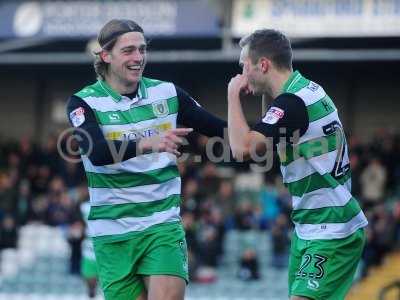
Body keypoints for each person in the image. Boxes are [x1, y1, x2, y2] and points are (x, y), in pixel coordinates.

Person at [66, 19, 227, 300]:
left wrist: (270, 132)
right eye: (128, 50)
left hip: (160, 224)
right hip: (112, 233)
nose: (138, 58)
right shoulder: (83, 102)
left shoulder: (167, 93)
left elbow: (220, 129)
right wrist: (149, 143)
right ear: (106, 55)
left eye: (142, 50)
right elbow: (98, 152)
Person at [227, 29, 368, 300]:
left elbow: (242, 149)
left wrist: (233, 94)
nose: (242, 73)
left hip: (331, 228)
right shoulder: (307, 90)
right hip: (310, 227)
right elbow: (271, 129)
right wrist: (265, 91)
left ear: (263, 64)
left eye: (244, 66)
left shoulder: (292, 104)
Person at [80, 201, 98, 298]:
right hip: (89, 248)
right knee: (89, 274)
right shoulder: (84, 206)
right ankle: (91, 291)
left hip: (105, 247)